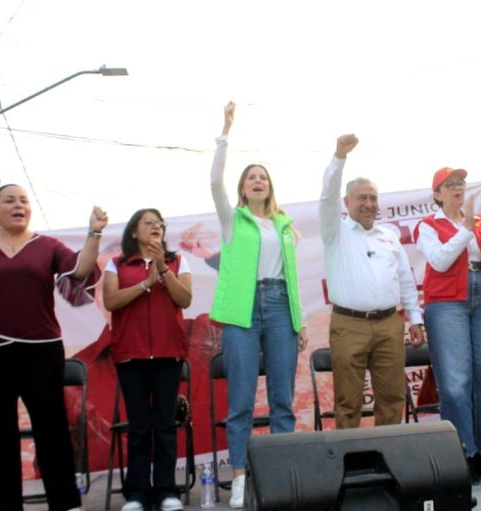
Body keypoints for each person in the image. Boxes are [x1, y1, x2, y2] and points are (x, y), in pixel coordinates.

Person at [0, 184, 106, 511]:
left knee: (51, 427)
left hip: (40, 350)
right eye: (9, 200)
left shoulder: (47, 246)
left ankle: (66, 503)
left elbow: (80, 269)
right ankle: (6, 505)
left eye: (23, 200)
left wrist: (94, 232)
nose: (18, 205)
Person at [210, 101, 307, 509]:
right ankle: (240, 478)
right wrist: (225, 131)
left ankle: (283, 476)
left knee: (283, 397)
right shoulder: (233, 219)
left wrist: (300, 321)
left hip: (281, 307)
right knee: (242, 401)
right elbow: (214, 182)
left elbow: (293, 279)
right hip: (243, 311)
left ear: (270, 187)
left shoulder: (285, 226)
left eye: (262, 177)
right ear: (242, 188)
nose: (257, 181)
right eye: (251, 177)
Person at [319, 134, 425, 430]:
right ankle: (350, 457)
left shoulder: (388, 236)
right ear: (347, 202)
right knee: (348, 402)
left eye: (373, 198)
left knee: (392, 398)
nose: (368, 203)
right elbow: (326, 198)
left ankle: (386, 455)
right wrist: (339, 157)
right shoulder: (335, 232)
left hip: (389, 325)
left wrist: (415, 319)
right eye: (362, 198)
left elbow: (405, 281)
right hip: (348, 325)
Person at [413, 167, 481, 482]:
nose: (457, 188)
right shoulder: (428, 225)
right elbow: (440, 261)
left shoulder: (480, 221)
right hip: (446, 302)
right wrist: (465, 229)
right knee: (455, 384)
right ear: (437, 194)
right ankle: (462, 454)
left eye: (460, 183)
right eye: (449, 184)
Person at [103, 208, 192, 511]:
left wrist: (163, 271)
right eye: (149, 222)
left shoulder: (177, 261)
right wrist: (145, 283)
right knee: (139, 426)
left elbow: (185, 299)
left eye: (160, 223)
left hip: (168, 352)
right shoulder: (117, 264)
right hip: (131, 354)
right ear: (133, 231)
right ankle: (137, 493)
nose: (156, 227)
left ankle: (167, 490)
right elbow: (111, 301)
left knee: (165, 424)